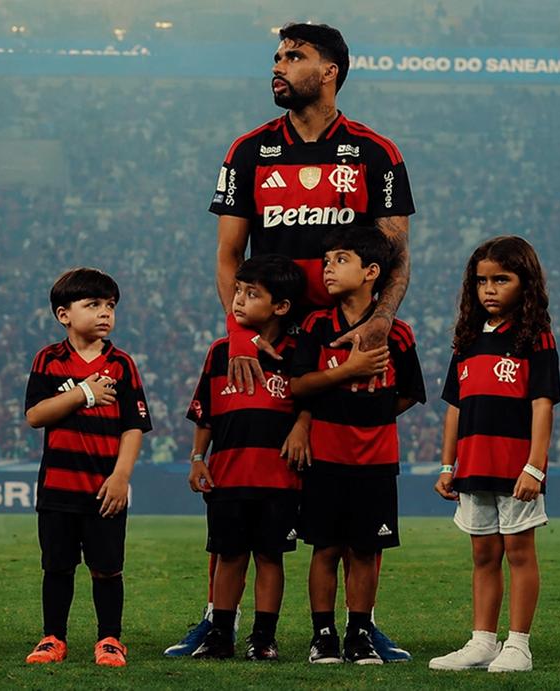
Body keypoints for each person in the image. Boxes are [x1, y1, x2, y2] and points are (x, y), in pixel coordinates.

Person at [170, 20, 417, 662]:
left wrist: (382, 318)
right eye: (277, 56)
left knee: (346, 488)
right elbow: (229, 256)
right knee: (244, 484)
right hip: (266, 348)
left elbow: (396, 254)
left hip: (339, 346)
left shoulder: (375, 153)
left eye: (294, 56)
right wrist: (242, 337)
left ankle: (357, 625)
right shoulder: (249, 150)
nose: (278, 66)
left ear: (330, 70)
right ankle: (216, 619)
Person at [288, 226, 425, 664]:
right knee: (324, 547)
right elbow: (297, 385)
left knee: (365, 549)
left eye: (340, 259)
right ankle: (323, 635)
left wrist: (371, 415)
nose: (328, 267)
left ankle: (360, 632)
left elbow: (408, 393)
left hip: (377, 459)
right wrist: (349, 372)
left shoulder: (397, 333)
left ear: (371, 272)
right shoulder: (315, 325)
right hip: (325, 456)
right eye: (327, 260)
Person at [431, 236, 560, 673]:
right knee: (483, 556)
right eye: (482, 280)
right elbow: (455, 407)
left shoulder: (535, 339)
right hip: (473, 467)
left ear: (525, 284)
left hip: (514, 469)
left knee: (520, 553)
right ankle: (482, 641)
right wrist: (448, 464)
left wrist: (534, 467)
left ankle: (518, 644)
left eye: (501, 279)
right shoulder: (466, 340)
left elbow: (542, 405)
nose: (489, 289)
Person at [182, 255, 310, 661]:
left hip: (280, 478)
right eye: (238, 290)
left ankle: (263, 637)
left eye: (251, 294)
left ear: (281, 306)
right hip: (228, 474)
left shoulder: (298, 354)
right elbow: (204, 410)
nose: (238, 300)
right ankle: (221, 634)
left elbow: (311, 403)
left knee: (270, 556)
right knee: (228, 555)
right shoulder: (221, 351)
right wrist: (198, 456)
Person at [23, 268, 153, 667]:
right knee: (57, 566)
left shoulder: (123, 365)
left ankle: (110, 640)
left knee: (107, 568)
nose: (105, 313)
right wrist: (84, 393)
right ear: (64, 315)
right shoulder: (48, 359)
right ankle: (52, 638)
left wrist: (121, 477)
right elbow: (35, 415)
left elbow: (134, 426)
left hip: (105, 489)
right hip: (58, 488)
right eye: (93, 304)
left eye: (110, 306)